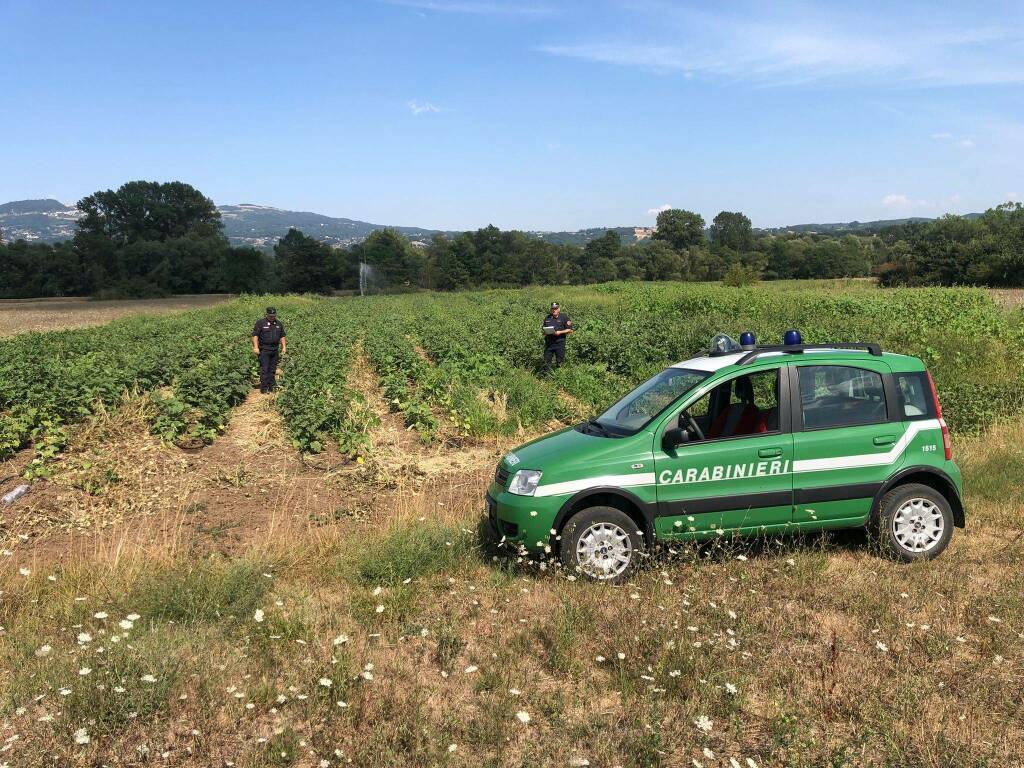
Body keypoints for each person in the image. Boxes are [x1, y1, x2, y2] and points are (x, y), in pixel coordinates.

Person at [252, 307, 286, 393]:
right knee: (265, 369)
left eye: (273, 316)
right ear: (266, 314)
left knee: (272, 369)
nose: (272, 317)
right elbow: (255, 335)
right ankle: (264, 388)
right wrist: (255, 347)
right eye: (270, 316)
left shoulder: (278, 323)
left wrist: (284, 347)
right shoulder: (260, 323)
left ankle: (272, 387)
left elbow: (282, 336)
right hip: (264, 349)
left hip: (275, 349)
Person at [541, 302, 573, 374]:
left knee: (559, 361)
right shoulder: (547, 317)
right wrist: (545, 332)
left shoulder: (564, 317)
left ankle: (559, 376)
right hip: (549, 343)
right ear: (550, 309)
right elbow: (543, 329)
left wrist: (559, 332)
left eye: (556, 308)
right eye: (552, 308)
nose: (554, 310)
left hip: (559, 343)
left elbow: (570, 330)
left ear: (559, 309)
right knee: (546, 360)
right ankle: (546, 377)